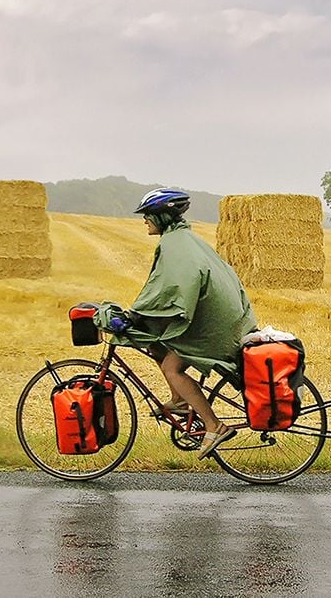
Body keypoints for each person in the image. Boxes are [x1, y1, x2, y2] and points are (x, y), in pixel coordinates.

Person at [97, 188, 257, 459]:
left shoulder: (174, 245)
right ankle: (181, 400)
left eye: (148, 214)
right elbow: (164, 288)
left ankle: (214, 425)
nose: (144, 219)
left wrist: (134, 316)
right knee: (157, 346)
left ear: (162, 216)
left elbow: (170, 289)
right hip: (222, 320)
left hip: (215, 327)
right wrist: (141, 315)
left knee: (173, 368)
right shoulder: (181, 239)